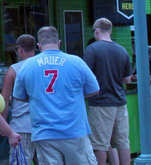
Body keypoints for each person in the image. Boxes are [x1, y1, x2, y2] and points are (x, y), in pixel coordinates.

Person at [13, 26, 99, 165]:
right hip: (74, 130)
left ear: (39, 46)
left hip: (44, 132)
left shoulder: (27, 66)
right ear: (59, 43)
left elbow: (20, 97)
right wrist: (72, 95)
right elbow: (94, 90)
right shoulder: (76, 62)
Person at [84, 18, 132, 165]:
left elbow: (85, 77)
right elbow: (127, 80)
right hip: (120, 102)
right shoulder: (122, 50)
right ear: (110, 31)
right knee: (123, 142)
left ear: (96, 31)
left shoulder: (92, 50)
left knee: (99, 144)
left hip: (100, 103)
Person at [1, 34, 36, 165]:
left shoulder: (14, 70)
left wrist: (3, 124)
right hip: (45, 124)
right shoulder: (44, 66)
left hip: (22, 125)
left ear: (20, 50)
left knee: (20, 161)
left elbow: (5, 99)